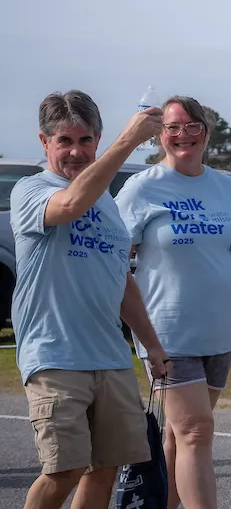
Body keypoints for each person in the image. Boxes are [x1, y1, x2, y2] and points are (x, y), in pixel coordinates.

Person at [114, 96, 231, 509]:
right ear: (159, 135)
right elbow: (113, 256)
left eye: (193, 126)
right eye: (173, 127)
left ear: (207, 132)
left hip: (218, 333)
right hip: (166, 333)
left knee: (180, 437)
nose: (183, 135)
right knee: (197, 430)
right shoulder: (143, 188)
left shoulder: (230, 190)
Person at [11, 90, 170, 509]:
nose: (76, 151)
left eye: (85, 141)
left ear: (96, 140)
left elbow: (121, 281)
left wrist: (152, 345)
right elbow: (69, 204)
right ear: (45, 142)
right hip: (55, 356)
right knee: (62, 471)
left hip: (111, 358)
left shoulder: (107, 204)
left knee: (105, 470)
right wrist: (129, 140)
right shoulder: (31, 191)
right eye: (65, 141)